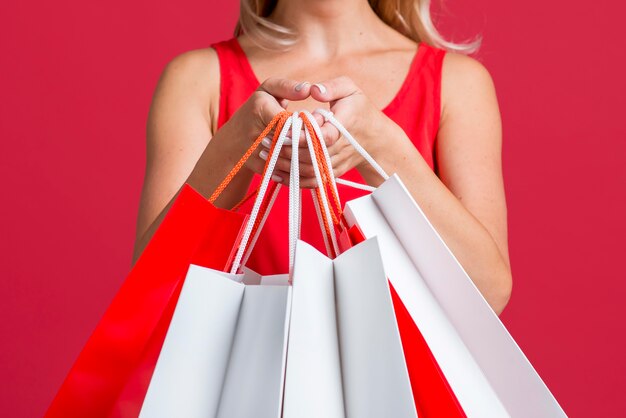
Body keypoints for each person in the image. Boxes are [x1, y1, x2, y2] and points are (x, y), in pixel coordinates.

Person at [132, 0, 512, 315]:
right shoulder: (195, 79)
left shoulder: (458, 83)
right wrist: (236, 149)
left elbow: (488, 293)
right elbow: (149, 295)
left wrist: (381, 148)